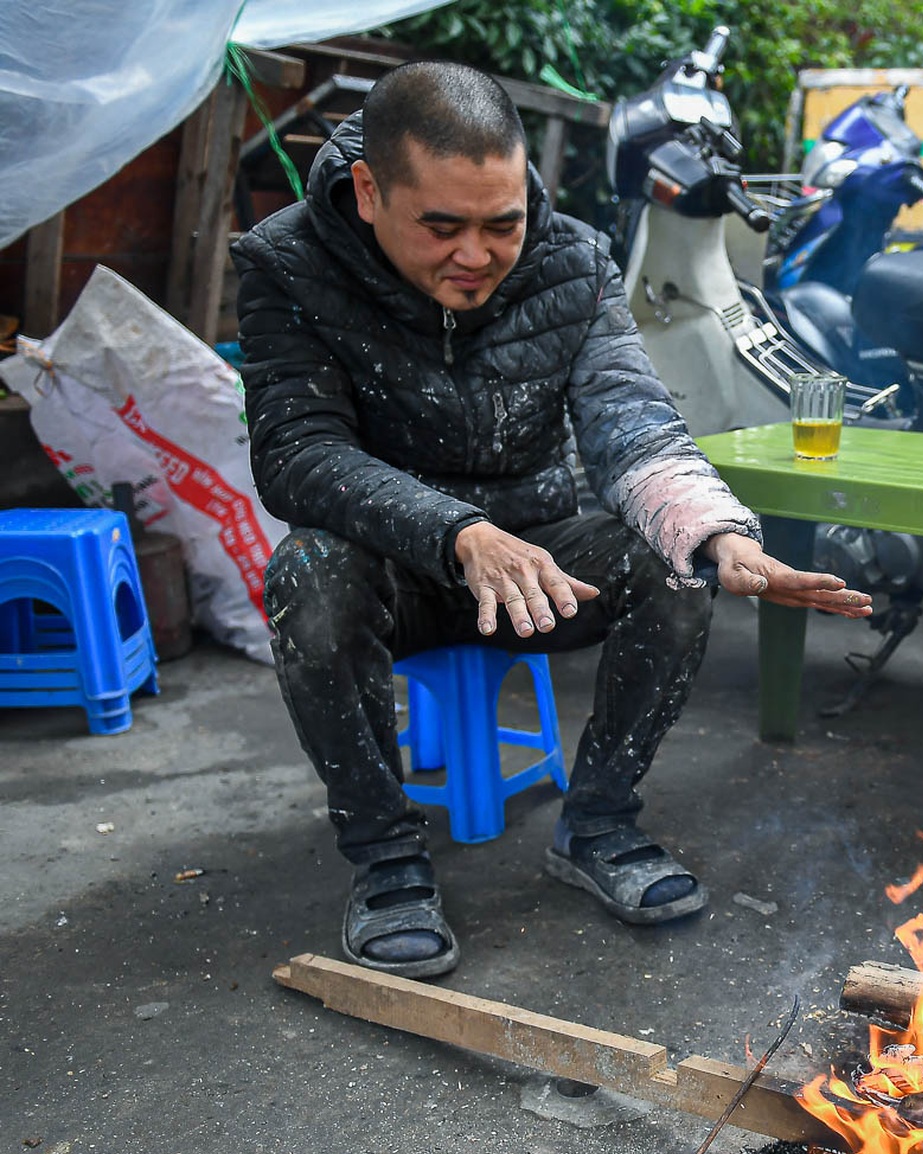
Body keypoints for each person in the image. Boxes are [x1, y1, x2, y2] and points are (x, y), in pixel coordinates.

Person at [233, 62, 871, 979]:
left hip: (539, 567)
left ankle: (600, 823)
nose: (477, 255)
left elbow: (629, 419)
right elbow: (297, 454)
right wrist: (458, 533)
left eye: (501, 224)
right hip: (392, 567)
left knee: (677, 565)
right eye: (442, 227)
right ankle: (387, 865)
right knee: (305, 575)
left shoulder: (573, 260)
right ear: (369, 192)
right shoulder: (284, 262)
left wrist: (720, 535)